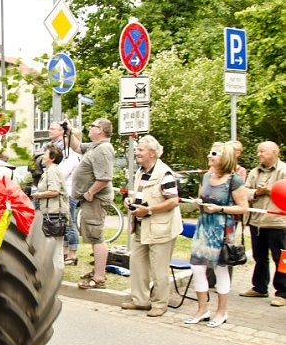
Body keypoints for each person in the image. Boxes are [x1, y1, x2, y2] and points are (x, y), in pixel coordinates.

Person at [184, 142, 248, 327]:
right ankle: (202, 309)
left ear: (225, 157)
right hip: (204, 227)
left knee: (220, 270)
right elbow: (202, 198)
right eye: (210, 153)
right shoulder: (206, 177)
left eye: (214, 154)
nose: (209, 156)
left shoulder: (234, 180)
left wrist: (220, 208)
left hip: (222, 230)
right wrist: (198, 203)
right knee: (197, 268)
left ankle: (222, 312)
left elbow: (242, 208)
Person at [120, 135, 182, 317]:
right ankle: (140, 300)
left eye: (141, 150)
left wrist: (148, 210)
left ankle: (160, 304)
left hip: (160, 228)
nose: (137, 153)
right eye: (137, 149)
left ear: (153, 154)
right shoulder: (141, 171)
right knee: (137, 264)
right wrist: (130, 201)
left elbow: (173, 201)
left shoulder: (164, 173)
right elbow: (138, 194)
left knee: (158, 268)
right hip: (140, 227)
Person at [70, 118, 116, 289]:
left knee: (97, 237)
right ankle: (97, 270)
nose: (90, 128)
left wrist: (90, 192)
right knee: (93, 235)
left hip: (95, 199)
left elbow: (104, 177)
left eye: (93, 126)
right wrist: (69, 131)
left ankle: (99, 278)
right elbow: (77, 147)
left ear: (101, 130)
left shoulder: (103, 149)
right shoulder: (95, 146)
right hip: (91, 199)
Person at [240, 141, 286, 306]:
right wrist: (256, 192)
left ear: (274, 152)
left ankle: (283, 293)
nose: (259, 154)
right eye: (258, 152)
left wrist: (270, 190)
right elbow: (244, 191)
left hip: (278, 223)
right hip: (257, 222)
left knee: (282, 259)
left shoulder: (283, 170)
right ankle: (259, 288)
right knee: (259, 257)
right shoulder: (254, 172)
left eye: (262, 151)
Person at [48, 122, 82, 265]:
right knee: (66, 222)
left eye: (67, 137)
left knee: (70, 222)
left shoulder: (72, 156)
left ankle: (73, 254)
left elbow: (62, 173)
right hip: (65, 192)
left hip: (68, 192)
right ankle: (66, 251)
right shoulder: (68, 154)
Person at [32, 144, 69, 272]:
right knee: (51, 246)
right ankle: (52, 273)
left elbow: (54, 191)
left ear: (52, 158)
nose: (43, 156)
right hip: (50, 213)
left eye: (45, 153)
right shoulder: (49, 170)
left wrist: (38, 194)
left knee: (55, 247)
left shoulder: (52, 170)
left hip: (54, 214)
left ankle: (57, 275)